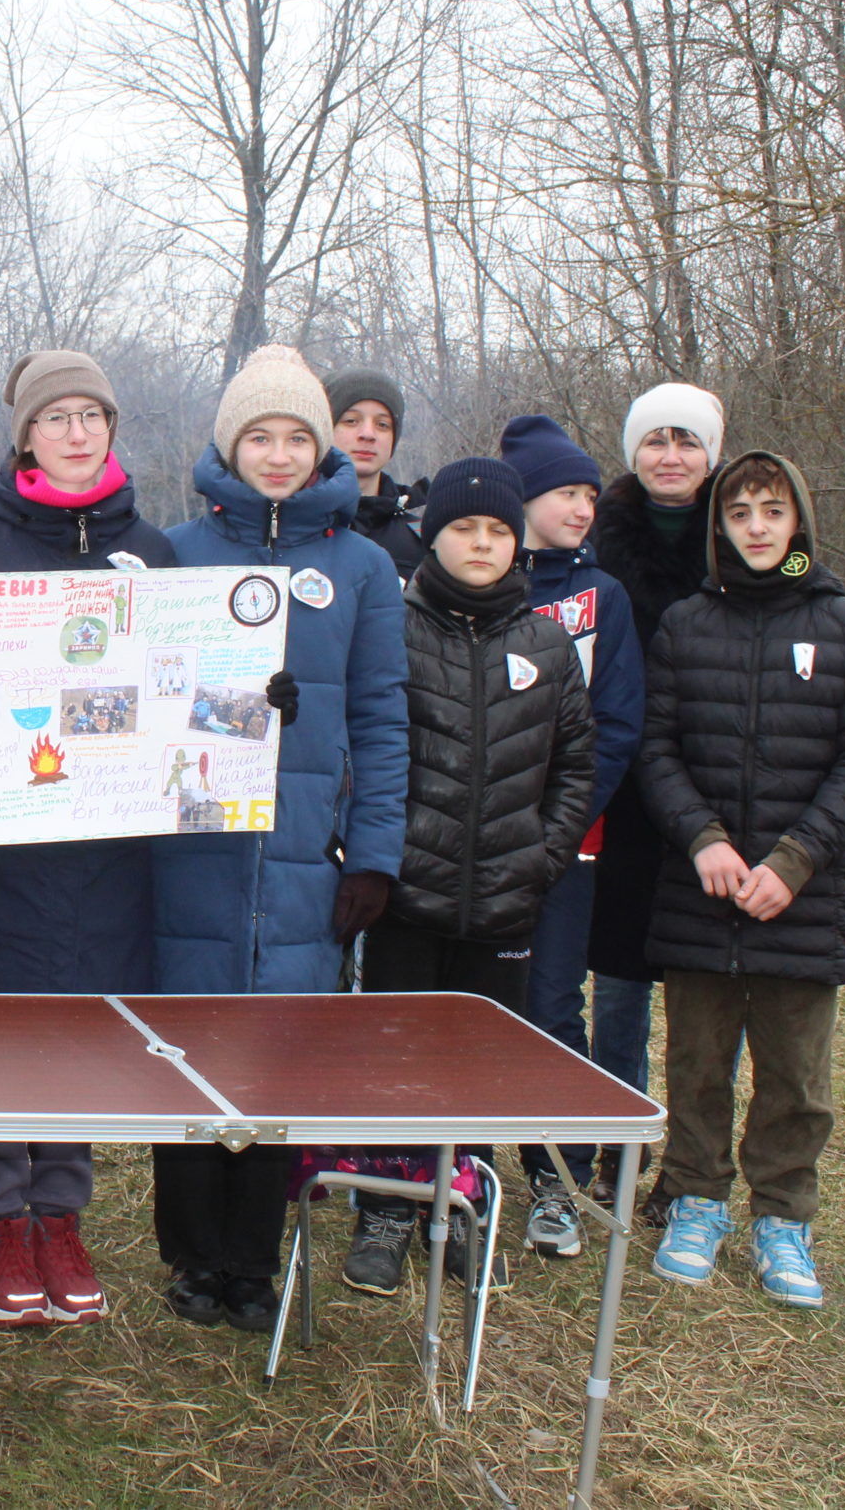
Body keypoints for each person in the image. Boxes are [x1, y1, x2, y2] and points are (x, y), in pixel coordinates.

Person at [0, 349, 179, 1330]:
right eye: (54, 417)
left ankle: (60, 1211)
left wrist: (244, 699)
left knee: (78, 1023)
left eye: (91, 416)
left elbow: (177, 681)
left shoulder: (149, 549)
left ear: (111, 431)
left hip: (107, 842)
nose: (74, 432)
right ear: (23, 434)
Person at [150, 347, 408, 1331]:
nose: (276, 454)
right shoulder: (176, 552)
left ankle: (251, 1261)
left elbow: (384, 718)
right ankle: (191, 1256)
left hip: (306, 853)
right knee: (193, 1049)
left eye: (296, 436)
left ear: (323, 447)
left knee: (274, 1054)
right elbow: (139, 704)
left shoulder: (362, 566)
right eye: (258, 435)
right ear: (228, 444)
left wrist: (374, 854)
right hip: (192, 851)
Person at [642, 451, 845, 1310]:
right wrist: (704, 840)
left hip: (804, 896)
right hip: (702, 893)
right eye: (741, 511)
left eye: (772, 511)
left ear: (799, 522)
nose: (757, 526)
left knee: (796, 1076)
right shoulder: (685, 623)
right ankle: (697, 1200)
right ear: (720, 524)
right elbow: (656, 749)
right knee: (697, 1064)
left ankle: (784, 1216)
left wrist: (795, 860)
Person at [340, 458, 594, 1299]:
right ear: (432, 537)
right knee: (394, 1056)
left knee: (477, 1063)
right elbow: (362, 748)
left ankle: (460, 1198)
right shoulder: (395, 627)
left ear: (516, 543)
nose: (481, 544)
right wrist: (378, 855)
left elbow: (575, 768)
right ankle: (383, 1207)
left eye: (496, 532)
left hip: (506, 903)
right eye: (463, 530)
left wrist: (541, 859)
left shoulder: (548, 643)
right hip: (407, 897)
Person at [497, 414, 646, 1259]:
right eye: (565, 493)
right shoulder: (480, 577)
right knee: (474, 1006)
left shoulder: (605, 596)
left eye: (591, 494)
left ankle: (557, 1176)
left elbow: (619, 721)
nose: (583, 508)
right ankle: (458, 1167)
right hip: (474, 847)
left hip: (569, 844)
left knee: (554, 1005)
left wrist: (563, 821)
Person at [583, 380, 724, 1208]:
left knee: (709, 985)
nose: (672, 455)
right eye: (656, 439)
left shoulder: (743, 525)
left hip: (721, 786)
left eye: (688, 440)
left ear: (711, 453)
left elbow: (809, 586)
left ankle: (697, 1166)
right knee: (622, 977)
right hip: (626, 790)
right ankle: (615, 1148)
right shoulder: (598, 533)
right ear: (633, 450)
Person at [325, 369, 425, 579]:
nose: (368, 434)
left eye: (382, 424)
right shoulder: (290, 523)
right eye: (351, 421)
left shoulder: (421, 539)